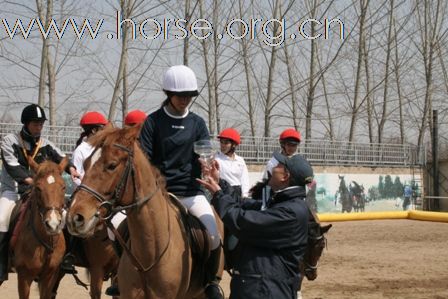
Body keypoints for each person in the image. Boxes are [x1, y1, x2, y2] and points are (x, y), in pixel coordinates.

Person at [139, 65, 223, 299]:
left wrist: (207, 165)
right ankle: (121, 275)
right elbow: (144, 158)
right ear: (168, 94)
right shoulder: (152, 122)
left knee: (213, 234)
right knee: (120, 228)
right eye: (180, 95)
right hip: (158, 194)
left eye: (189, 96)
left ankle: (211, 281)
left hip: (189, 191)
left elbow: (204, 151)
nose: (185, 100)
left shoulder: (197, 123)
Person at [198, 151, 314, 299]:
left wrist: (218, 195)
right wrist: (219, 181)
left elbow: (242, 222)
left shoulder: (290, 212)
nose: (273, 168)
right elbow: (243, 203)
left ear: (285, 177)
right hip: (260, 288)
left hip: (265, 292)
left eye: (278, 165)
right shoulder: (282, 203)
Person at [0, 104, 79, 284]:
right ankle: (2, 265)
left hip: (40, 194)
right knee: (2, 219)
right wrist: (33, 181)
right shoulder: (9, 140)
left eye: (41, 123)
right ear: (26, 123)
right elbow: (13, 168)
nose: (39, 127)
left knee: (65, 216)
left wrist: (71, 168)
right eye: (35, 123)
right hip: (13, 191)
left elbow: (61, 157)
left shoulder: (45, 144)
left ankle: (65, 258)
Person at [215, 128, 250, 199]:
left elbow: (244, 179)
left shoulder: (240, 160)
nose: (222, 145)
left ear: (234, 144)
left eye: (226, 143)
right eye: (221, 142)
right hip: (223, 192)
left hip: (237, 193)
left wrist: (245, 196)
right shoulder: (216, 159)